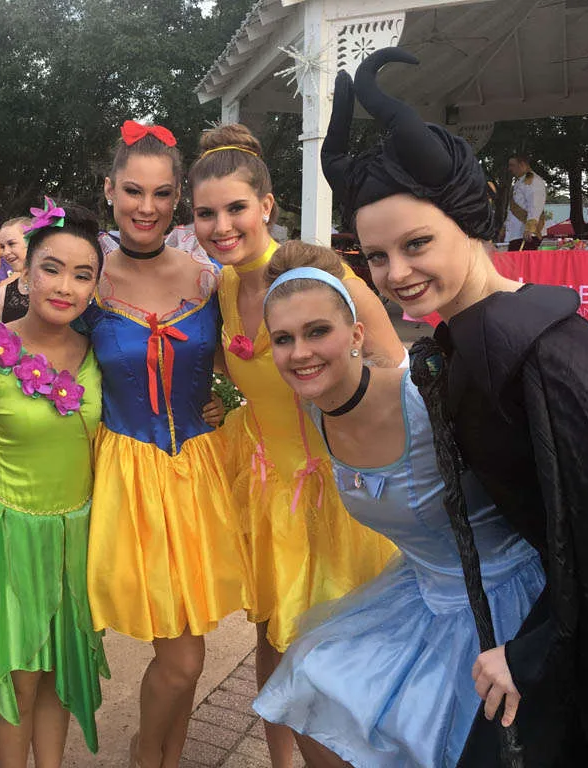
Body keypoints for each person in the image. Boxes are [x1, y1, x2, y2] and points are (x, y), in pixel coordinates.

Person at [323, 46, 588, 765]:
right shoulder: (475, 337)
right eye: (377, 256)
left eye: (417, 243)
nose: (397, 273)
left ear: (469, 219)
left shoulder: (537, 352)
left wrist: (535, 649)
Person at [253, 264, 544, 768]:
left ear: (356, 335)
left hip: (508, 598)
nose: (299, 352)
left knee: (444, 742)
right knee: (309, 678)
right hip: (422, 593)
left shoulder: (429, 398)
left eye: (317, 331)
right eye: (283, 339)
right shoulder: (318, 411)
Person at [188, 124, 401, 766]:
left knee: (336, 651)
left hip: (337, 492)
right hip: (263, 486)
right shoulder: (224, 287)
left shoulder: (324, 277)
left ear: (266, 205)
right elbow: (235, 365)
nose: (221, 226)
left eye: (235, 208)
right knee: (274, 636)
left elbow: (394, 368)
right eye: (205, 213)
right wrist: (215, 401)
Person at [84, 120, 250, 768]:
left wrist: (228, 402)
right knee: (181, 659)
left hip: (197, 475)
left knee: (190, 650)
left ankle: (163, 758)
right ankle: (145, 755)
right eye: (133, 191)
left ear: (178, 195)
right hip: (127, 476)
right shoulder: (86, 280)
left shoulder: (210, 281)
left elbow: (242, 364)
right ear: (110, 190)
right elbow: (49, 366)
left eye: (160, 193)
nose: (146, 207)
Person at [0, 202, 109, 768]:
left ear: (94, 287)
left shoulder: (98, 354)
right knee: (19, 685)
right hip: (9, 538)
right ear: (25, 271)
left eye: (82, 275)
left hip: (76, 538)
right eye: (52, 269)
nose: (65, 287)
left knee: (59, 679)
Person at [0, 215, 32, 322]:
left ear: (32, 241)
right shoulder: (3, 293)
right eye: (2, 247)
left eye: (11, 244)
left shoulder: (55, 288)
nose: (5, 252)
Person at [503, 154, 546, 251]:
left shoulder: (532, 180)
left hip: (526, 234)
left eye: (512, 165)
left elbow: (535, 205)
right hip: (517, 234)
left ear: (522, 164)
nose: (509, 169)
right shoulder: (521, 181)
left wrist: (530, 228)